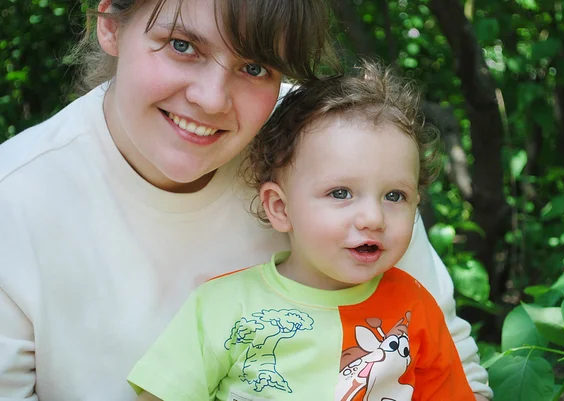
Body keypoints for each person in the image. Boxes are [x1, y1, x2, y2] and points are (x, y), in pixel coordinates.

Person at [0, 0, 492, 400]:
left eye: (255, 66)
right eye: (181, 45)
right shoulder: (16, 200)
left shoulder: (331, 144)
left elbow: (453, 371)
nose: (212, 99)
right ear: (108, 22)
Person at [127, 61, 477, 401]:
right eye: (340, 193)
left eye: (394, 195)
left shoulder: (415, 308)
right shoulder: (224, 306)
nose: (373, 217)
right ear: (280, 207)